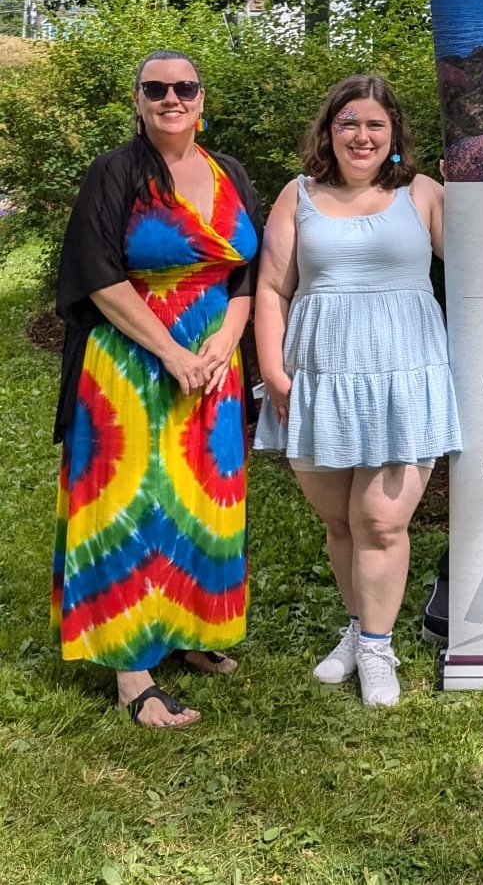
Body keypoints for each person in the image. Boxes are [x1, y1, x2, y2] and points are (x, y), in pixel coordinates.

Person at [53, 50, 260, 728]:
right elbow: (97, 273)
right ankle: (131, 673)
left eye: (185, 87)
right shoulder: (115, 173)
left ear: (204, 98)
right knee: (129, 506)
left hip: (212, 365)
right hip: (131, 366)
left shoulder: (230, 173)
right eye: (156, 88)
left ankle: (190, 627)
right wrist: (172, 352)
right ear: (138, 100)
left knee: (205, 499)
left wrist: (227, 340)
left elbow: (246, 275)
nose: (172, 98)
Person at [254, 75, 461, 706]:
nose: (361, 135)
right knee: (340, 521)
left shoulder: (424, 194)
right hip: (316, 378)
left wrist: (473, 194)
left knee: (380, 520)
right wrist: (272, 370)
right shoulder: (297, 196)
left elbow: (481, 265)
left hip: (405, 374)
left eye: (375, 124)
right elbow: (271, 288)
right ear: (329, 131)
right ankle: (357, 626)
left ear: (394, 134)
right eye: (349, 123)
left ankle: (376, 649)